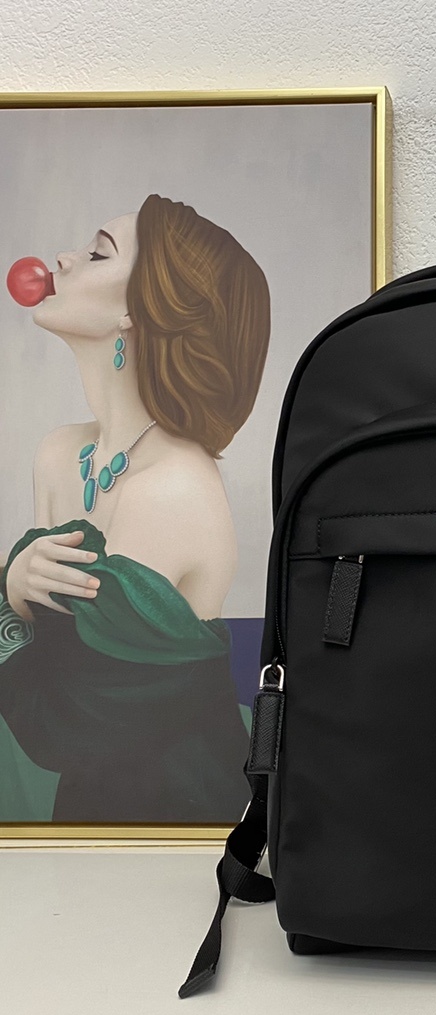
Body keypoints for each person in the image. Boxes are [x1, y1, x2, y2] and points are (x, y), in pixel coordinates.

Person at [0, 194, 271, 822]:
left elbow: (63, 725)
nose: (61, 259)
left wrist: (9, 598)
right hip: (87, 810)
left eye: (98, 254)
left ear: (138, 310)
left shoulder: (173, 488)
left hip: (180, 823)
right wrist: (14, 591)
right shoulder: (60, 453)